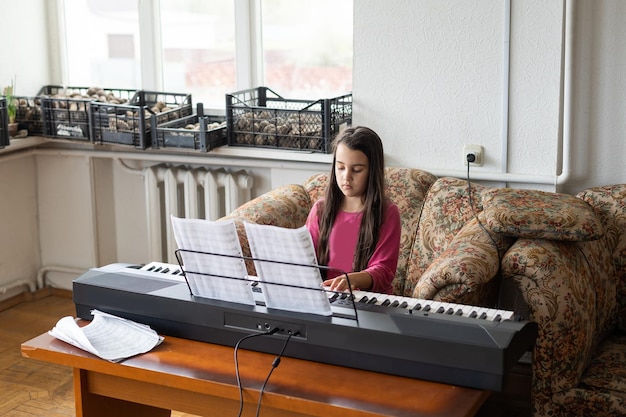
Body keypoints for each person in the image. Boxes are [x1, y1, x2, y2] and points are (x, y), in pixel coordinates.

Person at [305, 126, 401, 294]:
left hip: (369, 302)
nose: (346, 177)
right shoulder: (321, 209)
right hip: (327, 298)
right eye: (340, 167)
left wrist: (352, 280)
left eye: (356, 170)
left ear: (372, 171)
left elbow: (384, 270)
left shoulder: (387, 213)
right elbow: (306, 257)